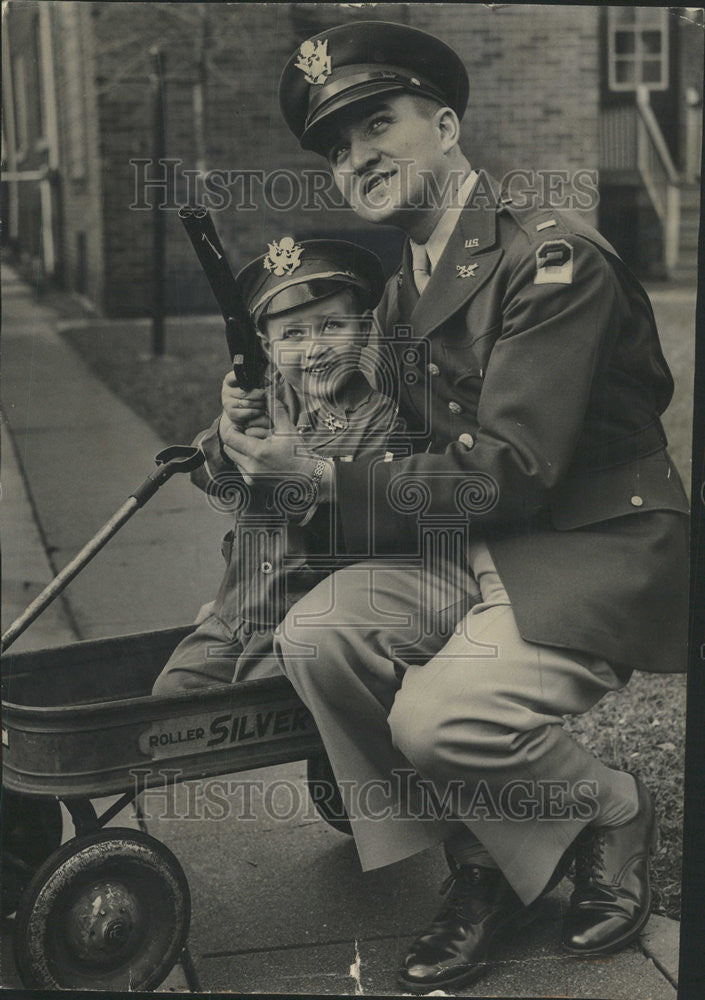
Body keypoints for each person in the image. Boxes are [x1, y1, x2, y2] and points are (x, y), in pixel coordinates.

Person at [210, 20, 690, 994]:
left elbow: (509, 470)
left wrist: (313, 475)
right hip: (478, 549)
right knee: (317, 637)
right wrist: (254, 447)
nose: (358, 158)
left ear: (445, 122)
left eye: (376, 125)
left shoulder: (552, 260)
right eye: (338, 148)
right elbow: (373, 442)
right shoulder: (402, 292)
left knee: (438, 720)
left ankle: (606, 803)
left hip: (586, 547)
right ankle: (491, 854)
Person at [152, 238, 412, 695]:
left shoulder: (382, 421)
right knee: (170, 699)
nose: (314, 348)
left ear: (365, 328)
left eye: (331, 326)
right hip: (234, 610)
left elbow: (368, 533)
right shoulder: (265, 404)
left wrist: (299, 475)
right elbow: (212, 480)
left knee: (259, 715)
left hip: (302, 622)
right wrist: (227, 428)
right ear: (265, 346)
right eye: (292, 334)